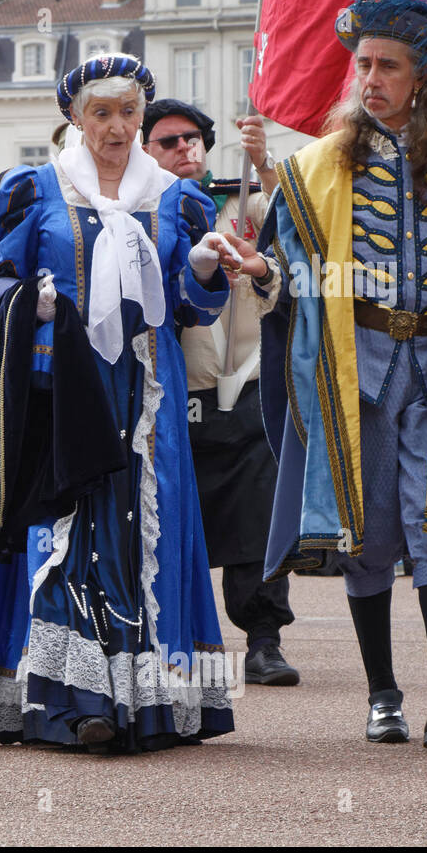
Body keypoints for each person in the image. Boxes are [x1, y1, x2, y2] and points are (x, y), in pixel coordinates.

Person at [226, 0, 427, 748]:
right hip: (353, 369)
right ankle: (382, 696)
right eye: (362, 64)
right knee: (364, 535)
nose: (369, 78)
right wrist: (266, 275)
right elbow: (296, 275)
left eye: (387, 66)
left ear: (423, 79)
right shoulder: (311, 171)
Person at [0, 53, 237, 751]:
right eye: (100, 113)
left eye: (128, 112)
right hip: (62, 391)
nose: (116, 126)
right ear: (75, 118)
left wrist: (199, 271)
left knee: (141, 534)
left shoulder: (176, 198)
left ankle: (150, 702)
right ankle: (70, 702)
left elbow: (191, 310)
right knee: (67, 529)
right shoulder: (35, 190)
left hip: (148, 397)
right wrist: (27, 304)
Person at [141, 99, 300, 686]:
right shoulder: (141, 211)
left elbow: (299, 224)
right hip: (172, 388)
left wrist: (266, 161)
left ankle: (263, 641)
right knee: (168, 520)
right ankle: (169, 642)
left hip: (250, 383)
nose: (185, 149)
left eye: (193, 139)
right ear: (144, 150)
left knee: (258, 516)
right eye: (168, 141)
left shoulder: (243, 199)